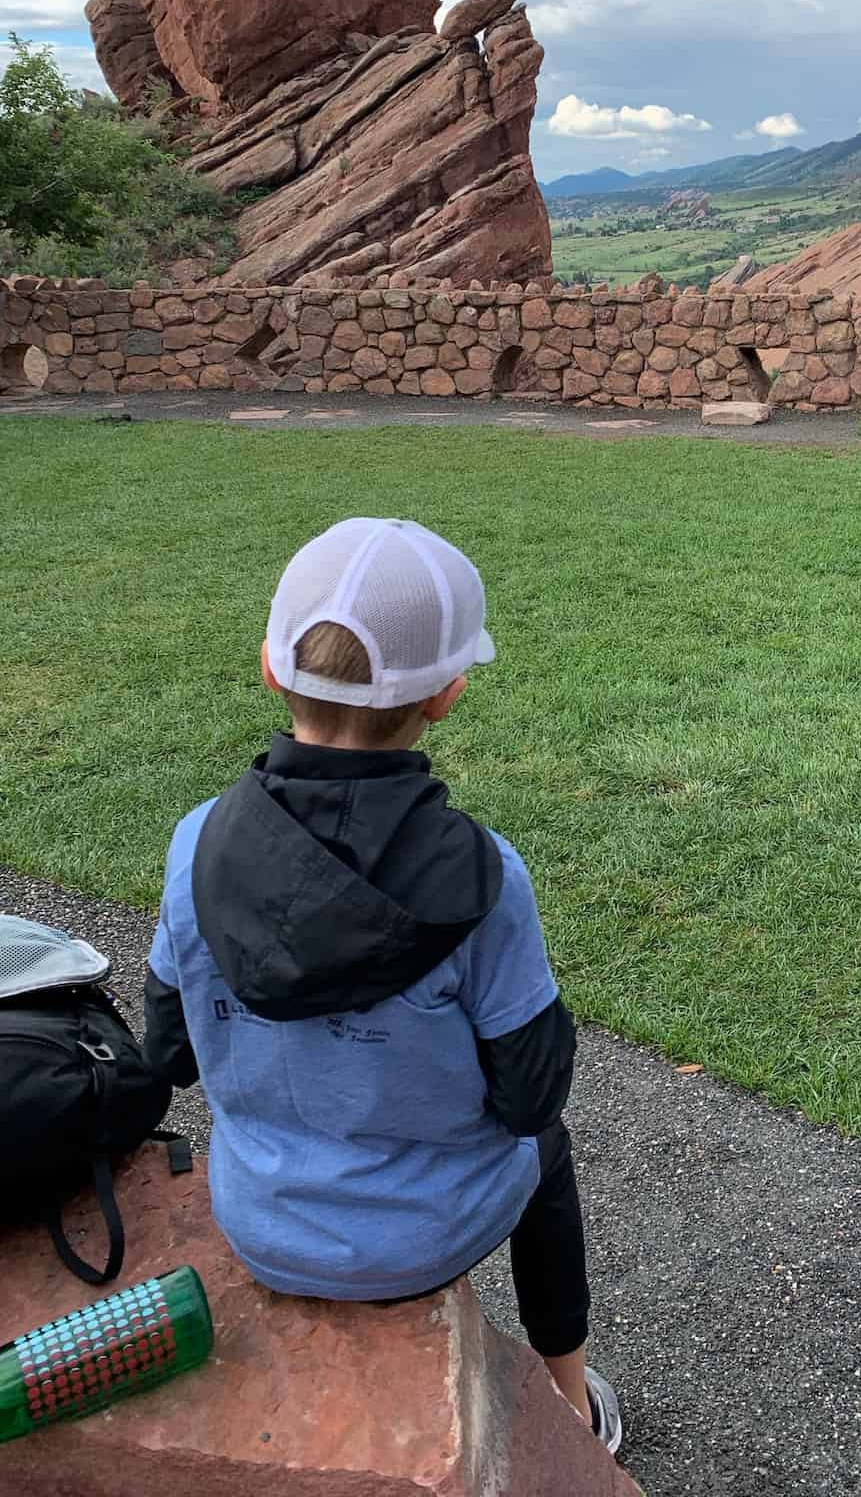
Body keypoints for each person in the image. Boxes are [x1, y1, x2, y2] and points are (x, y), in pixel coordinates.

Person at [142, 517, 621, 1454]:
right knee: (549, 1151)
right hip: (424, 1232)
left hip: (260, 1219)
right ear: (448, 694)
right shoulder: (487, 880)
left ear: (272, 667)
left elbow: (167, 1052)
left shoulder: (197, 840)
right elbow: (531, 1097)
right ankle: (570, 1400)